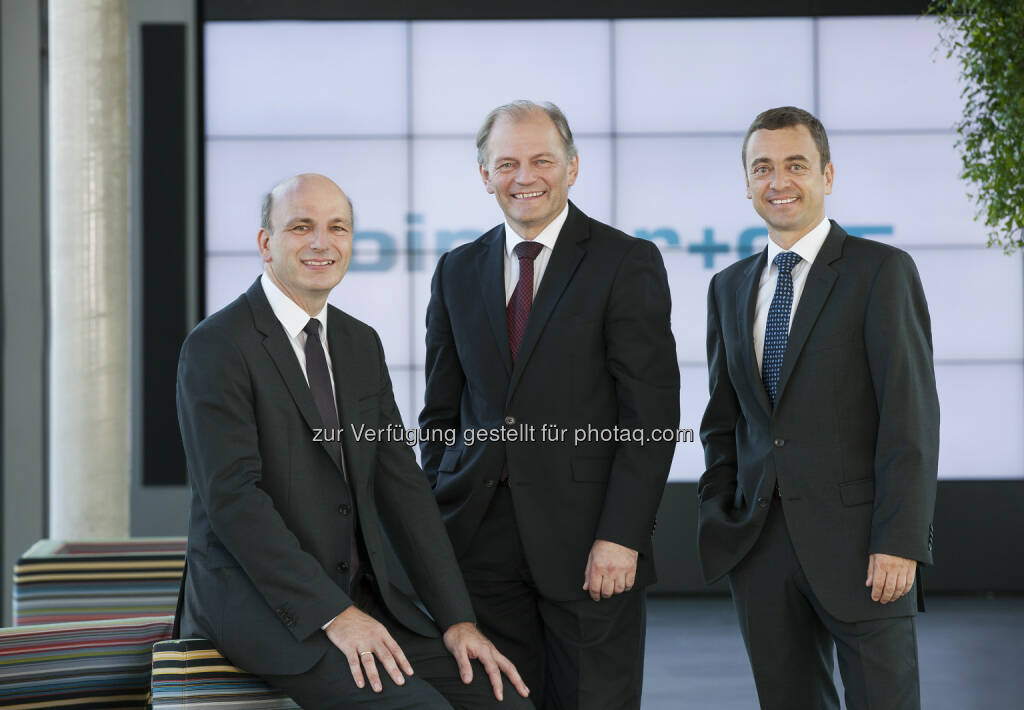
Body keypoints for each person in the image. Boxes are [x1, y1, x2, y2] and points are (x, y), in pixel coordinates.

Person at [176, 173, 531, 708]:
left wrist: (458, 620)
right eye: (301, 227)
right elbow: (233, 501)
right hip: (262, 605)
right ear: (265, 244)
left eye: (337, 228)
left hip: (361, 598)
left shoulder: (359, 342)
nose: (322, 242)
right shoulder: (217, 347)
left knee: (499, 698)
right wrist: (333, 614)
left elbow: (403, 486)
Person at [419, 101, 679, 709]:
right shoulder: (456, 270)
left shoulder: (625, 262)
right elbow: (440, 413)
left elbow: (651, 418)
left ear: (572, 167)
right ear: (484, 174)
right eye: (506, 163)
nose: (524, 176)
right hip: (477, 544)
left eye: (541, 160)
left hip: (590, 545)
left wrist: (623, 536)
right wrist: (438, 514)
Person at [698, 106, 939, 710]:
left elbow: (909, 417)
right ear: (747, 182)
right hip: (759, 549)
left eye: (796, 165)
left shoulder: (879, 272)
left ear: (827, 175)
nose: (779, 182)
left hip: (864, 547)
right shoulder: (728, 286)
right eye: (763, 168)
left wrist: (901, 538)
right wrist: (719, 512)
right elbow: (722, 420)